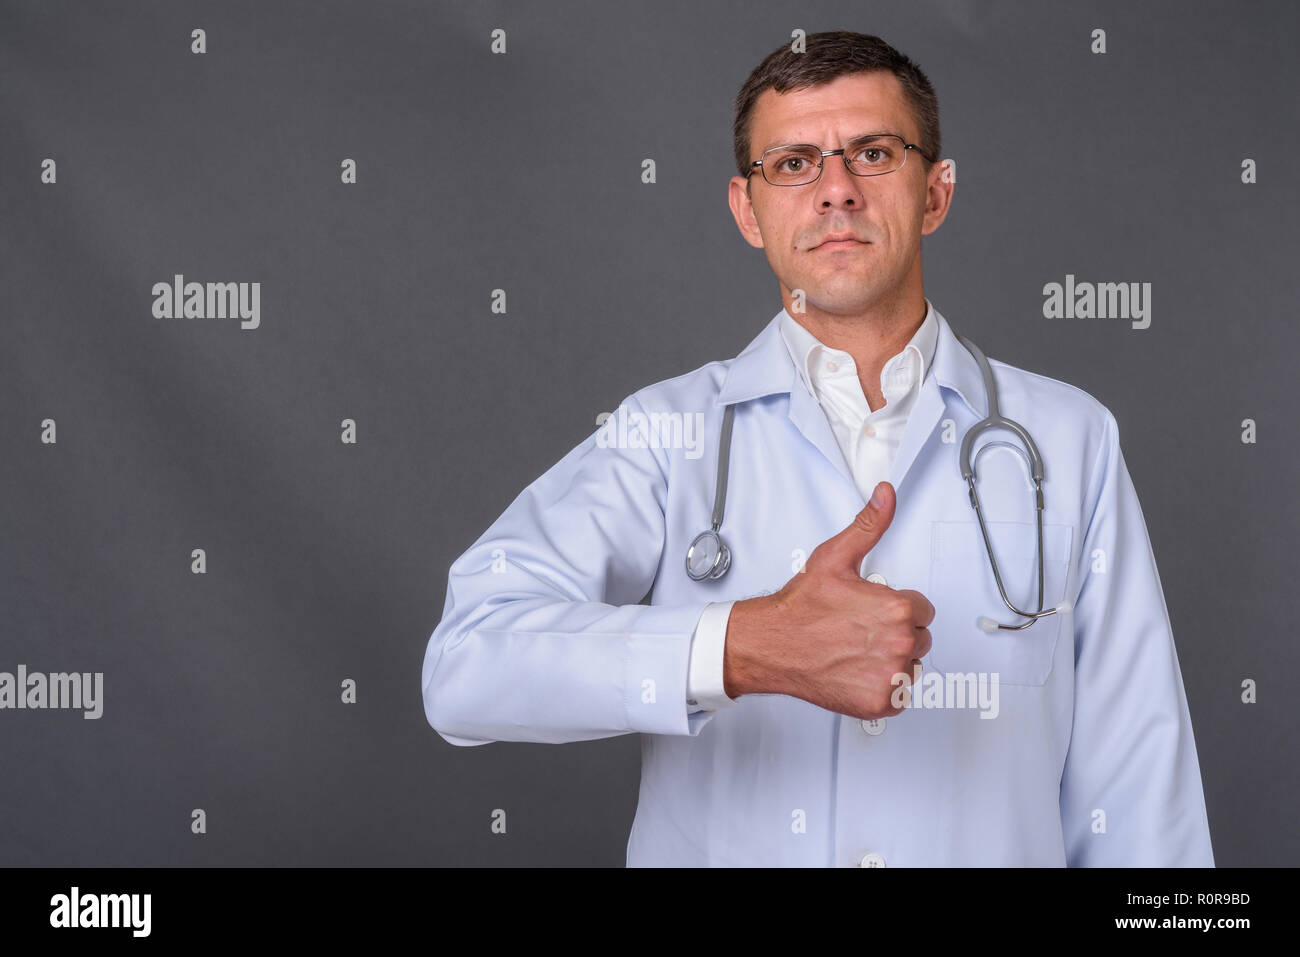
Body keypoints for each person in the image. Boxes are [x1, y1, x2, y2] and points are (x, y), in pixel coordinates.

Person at [421, 31, 1214, 867]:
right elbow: (465, 665)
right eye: (794, 163)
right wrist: (742, 646)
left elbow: (1139, 798)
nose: (836, 190)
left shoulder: (1068, 439)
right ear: (746, 210)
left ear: (936, 193)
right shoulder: (666, 435)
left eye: (873, 153)